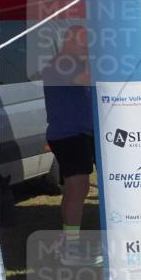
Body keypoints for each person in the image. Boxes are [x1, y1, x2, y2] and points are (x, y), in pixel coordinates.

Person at [42, 26, 99, 265]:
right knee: (78, 188)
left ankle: (69, 242)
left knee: (78, 189)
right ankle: (70, 248)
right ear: (69, 40)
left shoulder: (72, 62)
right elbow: (87, 78)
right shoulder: (62, 63)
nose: (86, 46)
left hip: (80, 134)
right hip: (69, 135)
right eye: (83, 41)